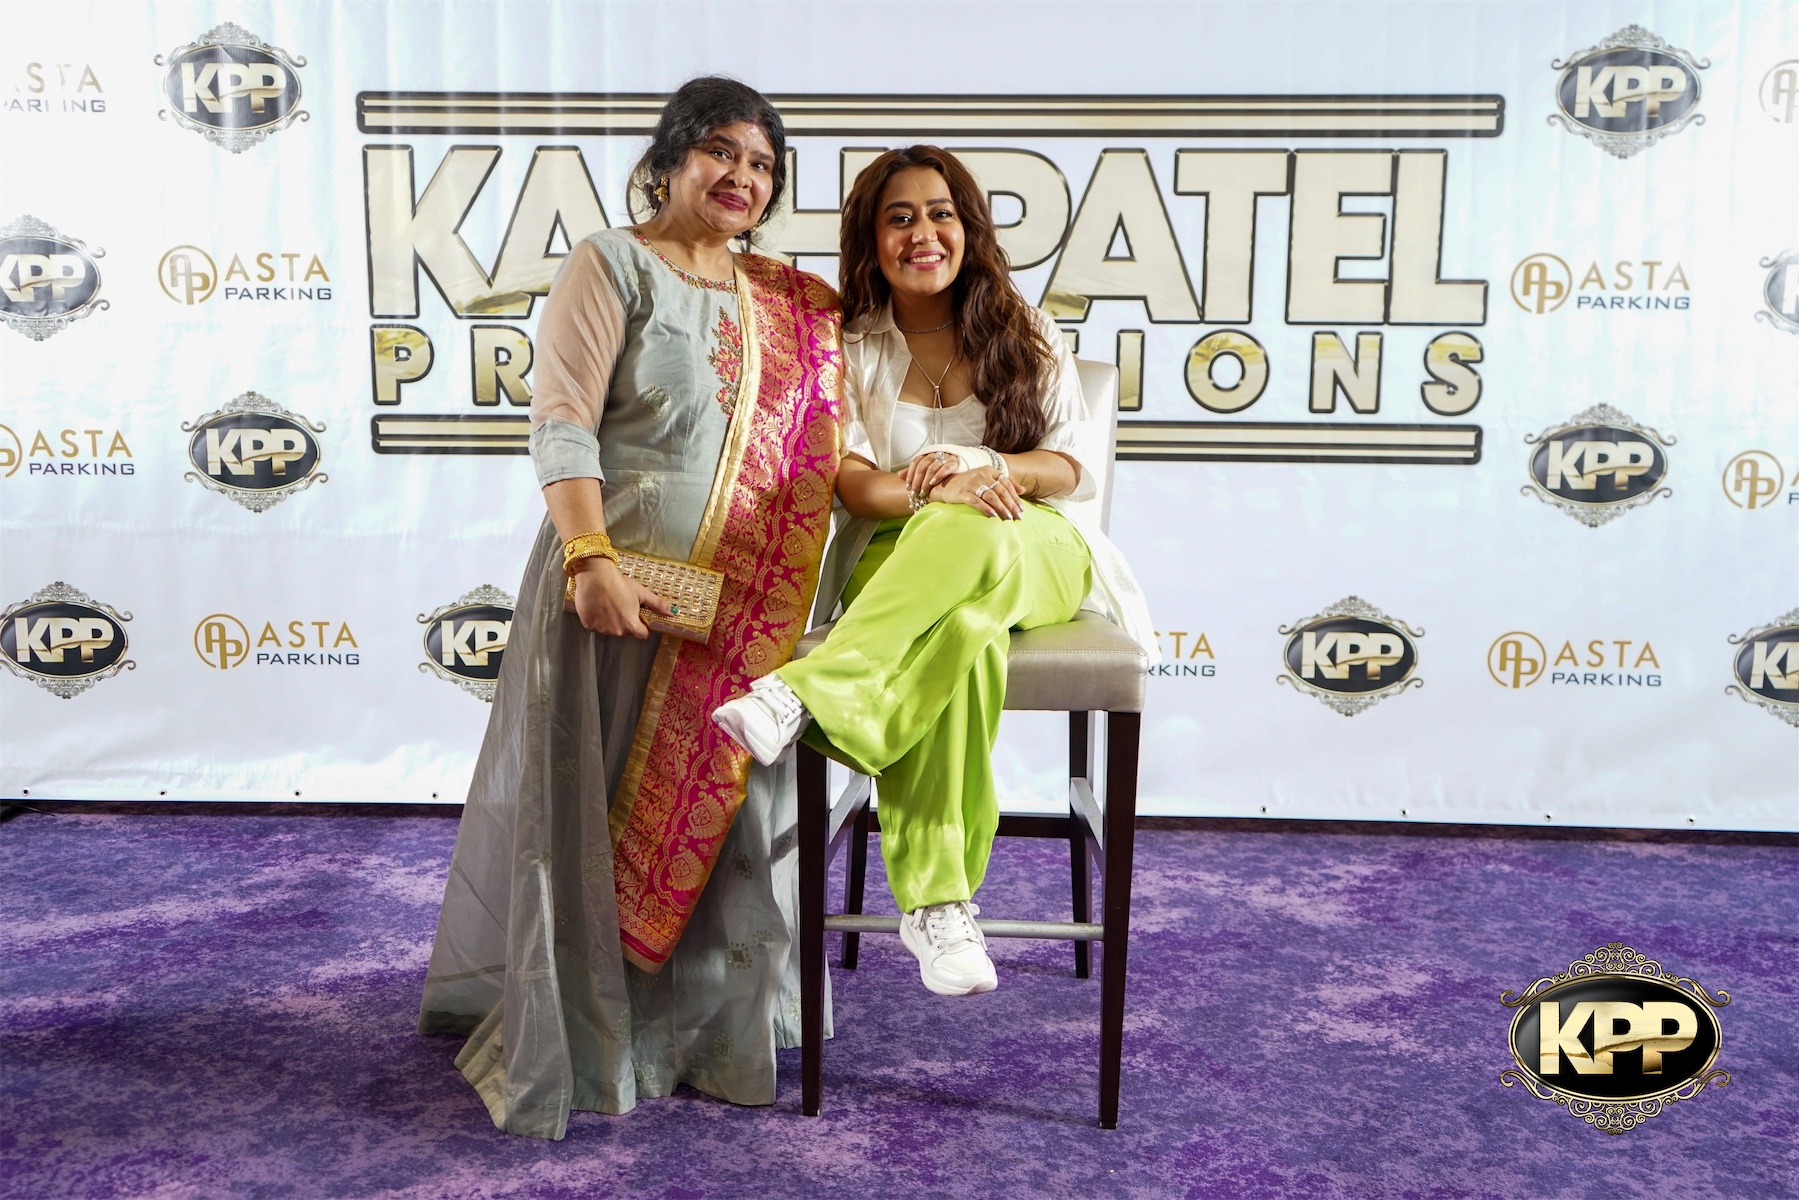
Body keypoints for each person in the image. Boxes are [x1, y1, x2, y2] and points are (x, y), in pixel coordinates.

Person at [419, 77, 843, 1140]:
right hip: (619, 591)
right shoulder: (611, 262)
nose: (742, 176)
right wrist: (589, 557)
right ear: (667, 161)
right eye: (721, 152)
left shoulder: (791, 303)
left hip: (740, 608)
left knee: (729, 813)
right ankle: (594, 1034)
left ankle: (713, 1031)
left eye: (762, 164)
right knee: (598, 811)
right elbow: (562, 420)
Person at [713, 145, 1154, 999]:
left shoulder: (1025, 329)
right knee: (966, 633)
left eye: (940, 213)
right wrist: (931, 493)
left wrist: (984, 470)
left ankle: (808, 690)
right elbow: (852, 485)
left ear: (968, 227)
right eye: (900, 217)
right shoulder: (846, 347)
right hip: (901, 554)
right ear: (870, 239)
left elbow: (1067, 467)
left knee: (970, 534)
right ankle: (939, 906)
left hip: (1035, 542)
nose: (923, 233)